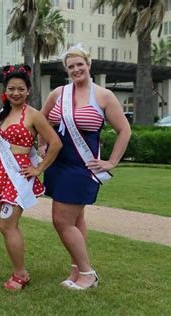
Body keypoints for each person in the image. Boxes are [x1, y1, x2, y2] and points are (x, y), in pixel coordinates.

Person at [40, 44, 131, 290]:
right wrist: (41, 147)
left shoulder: (103, 96)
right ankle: (77, 270)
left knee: (61, 220)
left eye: (80, 64)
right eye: (71, 66)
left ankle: (88, 274)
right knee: (76, 218)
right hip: (58, 165)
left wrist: (112, 161)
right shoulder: (58, 93)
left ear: (88, 65)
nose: (76, 69)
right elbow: (41, 119)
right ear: (66, 70)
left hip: (82, 168)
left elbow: (124, 130)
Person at [0, 65, 62, 291]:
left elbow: (55, 143)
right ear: (5, 90)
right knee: (7, 226)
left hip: (19, 176)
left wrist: (39, 169)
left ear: (28, 90)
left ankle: (20, 274)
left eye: (21, 89)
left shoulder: (34, 115)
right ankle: (19, 271)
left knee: (6, 225)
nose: (16, 93)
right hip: (0, 174)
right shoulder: (3, 114)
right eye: (11, 89)